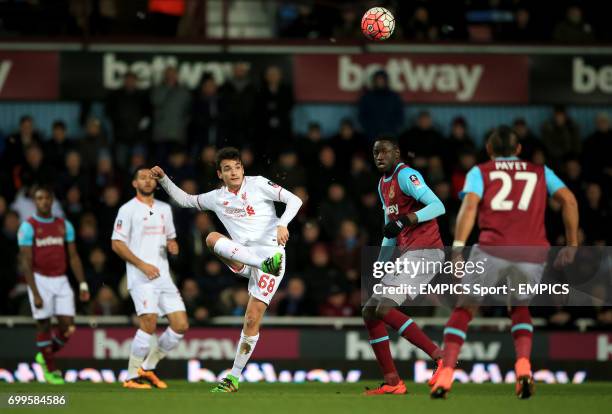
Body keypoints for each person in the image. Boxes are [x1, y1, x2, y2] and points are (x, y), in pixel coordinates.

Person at [431, 126, 579, 399]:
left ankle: (447, 372)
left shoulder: (480, 171)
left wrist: (458, 249)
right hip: (532, 253)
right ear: (519, 149)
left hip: (492, 250)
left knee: (465, 307)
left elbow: (470, 206)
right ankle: (523, 368)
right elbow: (569, 200)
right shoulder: (540, 172)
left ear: (489, 150)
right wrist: (572, 244)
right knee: (519, 306)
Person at [151, 146, 302, 392]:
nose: (234, 172)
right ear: (220, 174)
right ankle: (258, 264)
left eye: (237, 167)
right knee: (210, 237)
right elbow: (185, 200)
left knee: (252, 319)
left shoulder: (259, 184)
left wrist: (283, 224)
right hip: (249, 260)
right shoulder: (216, 197)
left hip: (272, 256)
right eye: (227, 169)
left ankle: (232, 378)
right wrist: (164, 180)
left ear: (243, 168)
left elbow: (295, 200)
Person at [362, 137, 446, 395]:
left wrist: (407, 219)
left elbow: (438, 206)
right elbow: (390, 231)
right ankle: (392, 382)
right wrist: (378, 267)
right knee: (369, 311)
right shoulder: (382, 184)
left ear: (396, 153)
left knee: (384, 308)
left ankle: (442, 358)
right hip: (410, 253)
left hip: (427, 251)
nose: (379, 156)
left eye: (385, 151)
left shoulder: (407, 175)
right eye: (375, 152)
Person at [111, 167, 189, 389]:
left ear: (156, 183)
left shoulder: (165, 209)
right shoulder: (127, 210)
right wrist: (142, 265)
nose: (147, 181)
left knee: (180, 325)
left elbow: (171, 238)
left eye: (150, 178)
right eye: (142, 178)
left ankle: (148, 367)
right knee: (149, 323)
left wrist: (173, 245)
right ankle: (131, 377)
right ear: (135, 183)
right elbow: (116, 243)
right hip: (140, 276)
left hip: (163, 276)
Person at [17, 185, 90, 384]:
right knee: (44, 324)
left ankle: (45, 354)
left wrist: (83, 284)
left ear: (52, 200)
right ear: (35, 201)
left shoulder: (64, 225)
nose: (43, 202)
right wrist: (35, 292)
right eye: (39, 198)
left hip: (61, 279)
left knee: (68, 327)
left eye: (47, 198)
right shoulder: (28, 226)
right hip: (40, 279)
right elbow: (26, 263)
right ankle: (50, 370)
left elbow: (73, 257)